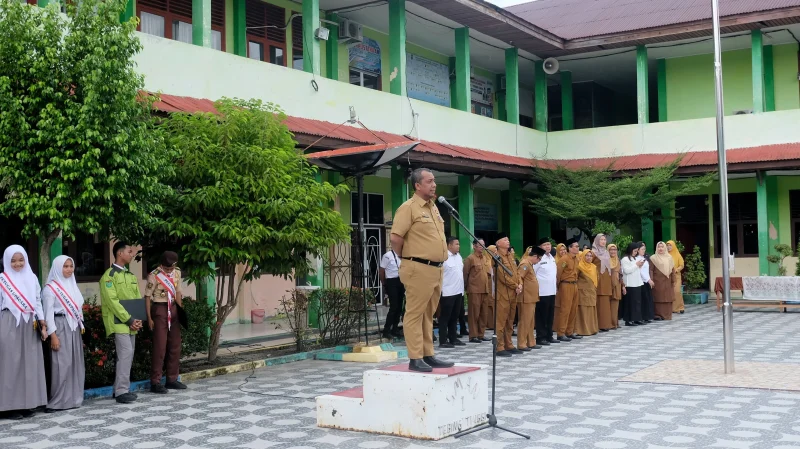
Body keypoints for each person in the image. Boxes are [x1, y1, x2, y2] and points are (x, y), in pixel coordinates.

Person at [391, 168, 453, 372]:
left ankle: (428, 354)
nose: (434, 184)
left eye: (434, 181)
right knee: (415, 314)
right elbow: (395, 238)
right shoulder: (408, 208)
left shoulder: (433, 207)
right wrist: (406, 258)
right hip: (418, 267)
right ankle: (415, 357)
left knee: (429, 313)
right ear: (417, 185)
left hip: (436, 269)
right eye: (429, 181)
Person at [0, 245, 47, 420]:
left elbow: (37, 300)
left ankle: (27, 403)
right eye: (13, 260)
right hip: (8, 323)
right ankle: (8, 407)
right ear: (6, 261)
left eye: (21, 260)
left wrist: (42, 322)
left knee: (29, 364)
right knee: (10, 364)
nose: (17, 264)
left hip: (30, 324)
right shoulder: (2, 279)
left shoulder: (32, 277)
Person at [100, 242, 143, 404]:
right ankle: (121, 391)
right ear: (119, 253)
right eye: (129, 251)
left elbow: (137, 299)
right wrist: (129, 319)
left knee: (128, 354)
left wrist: (138, 319)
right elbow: (112, 302)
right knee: (125, 354)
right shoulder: (109, 276)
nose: (132, 254)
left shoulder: (130, 276)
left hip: (131, 323)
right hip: (119, 322)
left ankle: (118, 388)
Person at [42, 256, 85, 412]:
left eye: (71, 266)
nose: (68, 269)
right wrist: (53, 335)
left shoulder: (72, 284)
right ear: (57, 268)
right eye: (65, 266)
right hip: (59, 326)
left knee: (74, 363)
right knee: (62, 364)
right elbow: (48, 315)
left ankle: (73, 398)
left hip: (74, 327)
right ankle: (57, 401)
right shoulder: (50, 289)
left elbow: (78, 307)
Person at [145, 251, 187, 393]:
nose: (169, 271)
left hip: (174, 308)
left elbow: (178, 292)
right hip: (160, 309)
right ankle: (155, 381)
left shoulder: (177, 273)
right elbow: (147, 297)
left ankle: (172, 379)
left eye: (171, 268)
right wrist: (149, 318)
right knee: (160, 347)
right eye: (167, 268)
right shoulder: (154, 275)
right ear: (162, 265)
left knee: (175, 346)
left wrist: (180, 312)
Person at [492, 234, 522, 357]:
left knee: (510, 320)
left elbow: (517, 272)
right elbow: (502, 277)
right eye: (504, 240)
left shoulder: (510, 255)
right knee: (501, 321)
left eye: (508, 239)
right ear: (498, 244)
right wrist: (516, 285)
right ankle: (499, 347)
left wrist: (520, 283)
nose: (508, 241)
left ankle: (508, 344)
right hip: (503, 294)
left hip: (513, 293)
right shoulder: (496, 257)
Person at [438, 236, 466, 349]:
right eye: (456, 244)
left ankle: (453, 338)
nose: (458, 246)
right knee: (445, 317)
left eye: (458, 244)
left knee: (455, 316)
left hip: (458, 291)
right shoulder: (443, 257)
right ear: (449, 245)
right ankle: (443, 340)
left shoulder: (458, 256)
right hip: (447, 292)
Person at [463, 239, 491, 343]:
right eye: (479, 245)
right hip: (474, 290)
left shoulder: (484, 258)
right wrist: (467, 288)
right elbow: (465, 275)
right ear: (474, 246)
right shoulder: (470, 259)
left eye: (483, 245)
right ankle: (473, 335)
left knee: (484, 314)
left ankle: (481, 334)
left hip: (484, 290)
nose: (482, 246)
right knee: (474, 314)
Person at [518, 246, 545, 351]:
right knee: (525, 321)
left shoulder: (530, 264)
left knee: (530, 321)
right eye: (539, 259)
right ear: (534, 256)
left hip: (531, 298)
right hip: (526, 297)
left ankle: (530, 342)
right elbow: (519, 277)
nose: (539, 261)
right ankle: (521, 343)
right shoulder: (525, 264)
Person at [555, 239, 581, 342]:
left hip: (574, 284)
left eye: (578, 246)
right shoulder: (564, 259)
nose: (577, 248)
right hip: (566, 285)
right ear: (570, 248)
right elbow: (558, 274)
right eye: (575, 246)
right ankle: (561, 333)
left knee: (573, 309)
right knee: (565, 310)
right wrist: (558, 286)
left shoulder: (576, 259)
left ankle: (569, 332)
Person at [534, 238, 559, 346]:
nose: (548, 246)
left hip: (552, 291)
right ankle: (540, 337)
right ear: (540, 247)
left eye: (549, 244)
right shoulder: (538, 258)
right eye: (545, 245)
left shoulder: (552, 258)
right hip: (542, 291)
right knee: (541, 315)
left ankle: (549, 335)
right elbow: (533, 274)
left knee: (550, 314)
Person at [380, 248, 404, 339]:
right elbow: (381, 271)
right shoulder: (387, 255)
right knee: (393, 307)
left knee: (399, 307)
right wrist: (384, 283)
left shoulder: (403, 255)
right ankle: (386, 330)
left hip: (401, 281)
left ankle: (395, 329)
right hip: (391, 282)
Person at [592, 234, 614, 332]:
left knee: (605, 303)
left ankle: (605, 324)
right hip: (598, 280)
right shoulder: (593, 252)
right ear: (597, 241)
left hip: (606, 280)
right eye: (601, 239)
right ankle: (598, 325)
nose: (603, 241)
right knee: (599, 303)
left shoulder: (606, 252)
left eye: (605, 239)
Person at [575, 250, 599, 336]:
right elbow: (575, 278)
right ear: (583, 256)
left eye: (590, 256)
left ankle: (592, 329)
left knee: (591, 310)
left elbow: (597, 279)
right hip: (582, 292)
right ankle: (583, 330)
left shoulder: (594, 267)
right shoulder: (579, 266)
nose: (589, 258)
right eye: (587, 256)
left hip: (591, 291)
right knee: (583, 310)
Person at [650, 242, 676, 321]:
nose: (660, 249)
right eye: (659, 247)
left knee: (667, 298)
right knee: (658, 298)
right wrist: (651, 279)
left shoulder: (669, 257)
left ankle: (667, 315)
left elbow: (672, 270)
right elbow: (651, 270)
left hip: (667, 281)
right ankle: (658, 315)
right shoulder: (653, 258)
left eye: (662, 247)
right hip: (657, 281)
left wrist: (673, 280)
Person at [621, 242, 645, 326]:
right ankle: (629, 320)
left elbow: (636, 270)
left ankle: (637, 319)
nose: (635, 253)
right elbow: (627, 271)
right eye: (634, 251)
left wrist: (639, 265)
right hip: (630, 284)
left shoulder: (635, 259)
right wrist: (636, 265)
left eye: (636, 251)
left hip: (637, 283)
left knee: (637, 302)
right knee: (630, 303)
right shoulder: (625, 259)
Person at [637, 242, 655, 323]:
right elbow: (641, 271)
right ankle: (642, 317)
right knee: (643, 300)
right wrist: (648, 280)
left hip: (646, 280)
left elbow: (646, 271)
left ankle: (647, 316)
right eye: (642, 249)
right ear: (638, 250)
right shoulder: (637, 259)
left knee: (647, 299)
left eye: (644, 249)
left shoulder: (645, 258)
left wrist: (649, 279)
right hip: (641, 281)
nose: (644, 250)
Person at [667, 240, 686, 314]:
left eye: (670, 245)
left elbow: (682, 265)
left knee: (677, 291)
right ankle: (671, 308)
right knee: (670, 292)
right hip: (667, 275)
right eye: (667, 245)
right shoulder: (665, 255)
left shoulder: (677, 255)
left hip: (676, 275)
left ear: (673, 246)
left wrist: (676, 270)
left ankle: (680, 307)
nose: (668, 247)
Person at [607, 244, 623, 329]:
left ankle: (615, 322)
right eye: (611, 250)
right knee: (608, 305)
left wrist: (623, 286)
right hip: (608, 284)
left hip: (617, 284)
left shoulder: (618, 260)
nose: (613, 251)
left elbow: (621, 274)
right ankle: (610, 323)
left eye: (615, 250)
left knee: (615, 304)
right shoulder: (606, 260)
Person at [484, 244, 497, 330]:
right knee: (489, 303)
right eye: (494, 251)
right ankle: (489, 323)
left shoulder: (495, 261)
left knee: (494, 302)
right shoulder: (486, 260)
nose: (496, 252)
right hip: (488, 285)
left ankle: (494, 323)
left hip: (494, 284)